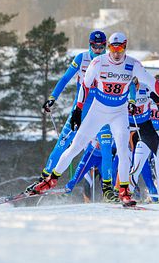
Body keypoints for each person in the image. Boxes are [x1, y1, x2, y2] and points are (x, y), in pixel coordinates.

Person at [31, 32, 159, 206]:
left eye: (120, 48)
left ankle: (124, 191)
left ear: (125, 47)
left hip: (119, 113)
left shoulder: (132, 64)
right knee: (75, 146)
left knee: (124, 152)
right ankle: (50, 180)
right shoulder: (98, 62)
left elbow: (152, 83)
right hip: (98, 110)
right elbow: (85, 86)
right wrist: (78, 110)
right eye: (113, 48)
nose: (116, 53)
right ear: (109, 47)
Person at [35, 31, 108, 196]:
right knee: (63, 142)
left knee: (107, 147)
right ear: (89, 44)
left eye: (101, 46)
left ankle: (114, 188)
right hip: (80, 110)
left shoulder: (109, 60)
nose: (97, 49)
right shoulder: (81, 58)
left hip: (101, 111)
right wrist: (52, 98)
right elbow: (64, 79)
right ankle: (45, 176)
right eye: (94, 46)